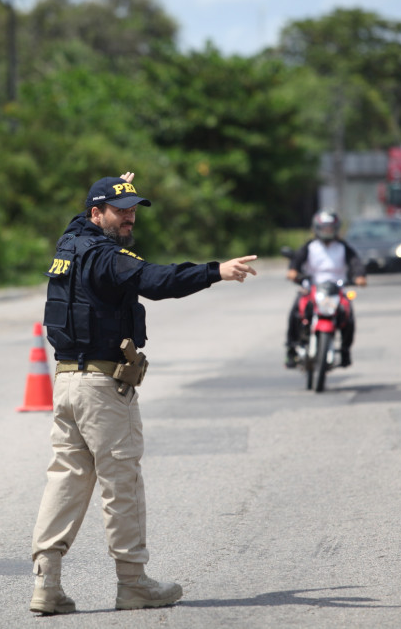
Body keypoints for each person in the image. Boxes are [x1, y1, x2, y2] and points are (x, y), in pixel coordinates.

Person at [30, 172, 257, 615]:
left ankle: (46, 584)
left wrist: (114, 186)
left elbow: (84, 220)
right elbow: (156, 281)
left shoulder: (71, 244)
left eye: (133, 208)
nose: (130, 217)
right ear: (97, 213)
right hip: (101, 389)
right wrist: (216, 271)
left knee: (67, 479)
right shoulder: (106, 257)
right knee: (122, 482)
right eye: (121, 210)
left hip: (67, 384)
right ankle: (133, 583)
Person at [284, 210, 366, 369]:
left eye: (330, 228)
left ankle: (345, 350)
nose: (327, 231)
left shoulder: (343, 247)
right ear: (317, 228)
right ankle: (291, 349)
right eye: (324, 228)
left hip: (337, 289)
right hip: (313, 288)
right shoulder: (310, 246)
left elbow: (356, 263)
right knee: (296, 311)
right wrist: (293, 271)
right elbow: (296, 263)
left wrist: (359, 276)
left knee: (348, 315)